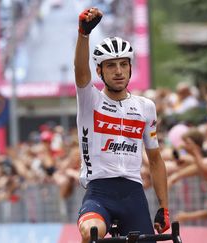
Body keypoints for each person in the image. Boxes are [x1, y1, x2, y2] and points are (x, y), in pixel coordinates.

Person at [73, 7, 170, 243]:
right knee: (91, 232)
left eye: (123, 65)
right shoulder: (90, 100)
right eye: (110, 66)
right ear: (100, 71)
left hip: (133, 194)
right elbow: (80, 71)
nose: (118, 72)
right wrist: (83, 35)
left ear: (130, 67)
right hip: (99, 192)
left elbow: (155, 160)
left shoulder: (145, 106)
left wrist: (163, 207)